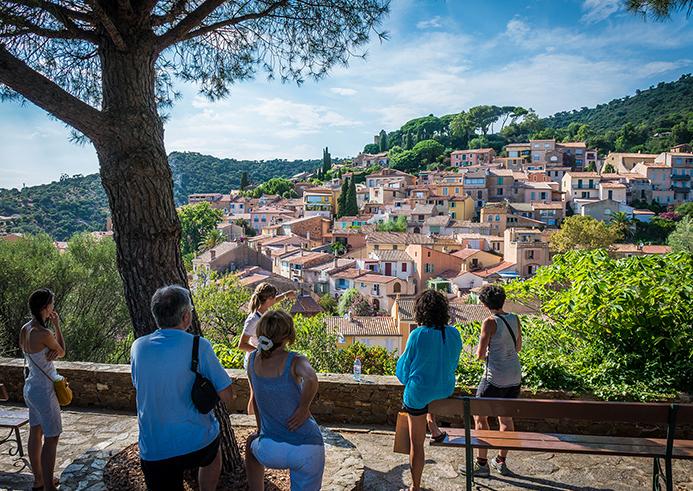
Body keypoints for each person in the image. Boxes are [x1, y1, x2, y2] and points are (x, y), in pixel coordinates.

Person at [131, 285, 235, 491]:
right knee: (213, 455)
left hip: (155, 447)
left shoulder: (138, 347)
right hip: (197, 443)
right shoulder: (199, 346)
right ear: (186, 317)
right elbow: (228, 395)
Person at [245, 311, 324, 491]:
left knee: (251, 444)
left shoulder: (252, 361)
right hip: (308, 447)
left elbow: (256, 400)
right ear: (288, 335)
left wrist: (260, 430)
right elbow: (311, 379)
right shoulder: (295, 360)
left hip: (270, 449)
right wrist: (303, 408)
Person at [395, 290, 462, 491]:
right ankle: (432, 425)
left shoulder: (417, 335)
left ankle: (415, 487)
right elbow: (453, 363)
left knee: (416, 443)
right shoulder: (454, 333)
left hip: (419, 394)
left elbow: (403, 371)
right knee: (428, 391)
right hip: (444, 389)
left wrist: (410, 382)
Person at [469, 284, 522, 477]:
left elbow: (480, 355)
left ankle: (481, 464)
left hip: (494, 378)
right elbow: (518, 348)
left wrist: (485, 352)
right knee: (506, 419)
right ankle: (500, 461)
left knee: (480, 417)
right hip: (514, 376)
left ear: (484, 304)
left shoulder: (489, 322)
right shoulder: (515, 319)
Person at [19, 288, 65, 491]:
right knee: (52, 436)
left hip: (30, 386)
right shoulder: (44, 333)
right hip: (44, 390)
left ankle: (38, 480)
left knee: (35, 432)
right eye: (51, 304)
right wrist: (57, 326)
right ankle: (49, 486)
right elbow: (62, 351)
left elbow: (33, 354)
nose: (53, 307)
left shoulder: (25, 329)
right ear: (45, 308)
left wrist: (50, 350)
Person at [238, 282, 296, 414]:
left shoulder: (263, 312)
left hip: (263, 359)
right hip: (254, 360)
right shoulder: (253, 320)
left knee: (261, 393)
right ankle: (251, 422)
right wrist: (262, 351)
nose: (275, 299)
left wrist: (286, 295)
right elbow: (241, 345)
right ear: (269, 299)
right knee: (255, 393)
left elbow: (275, 301)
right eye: (274, 297)